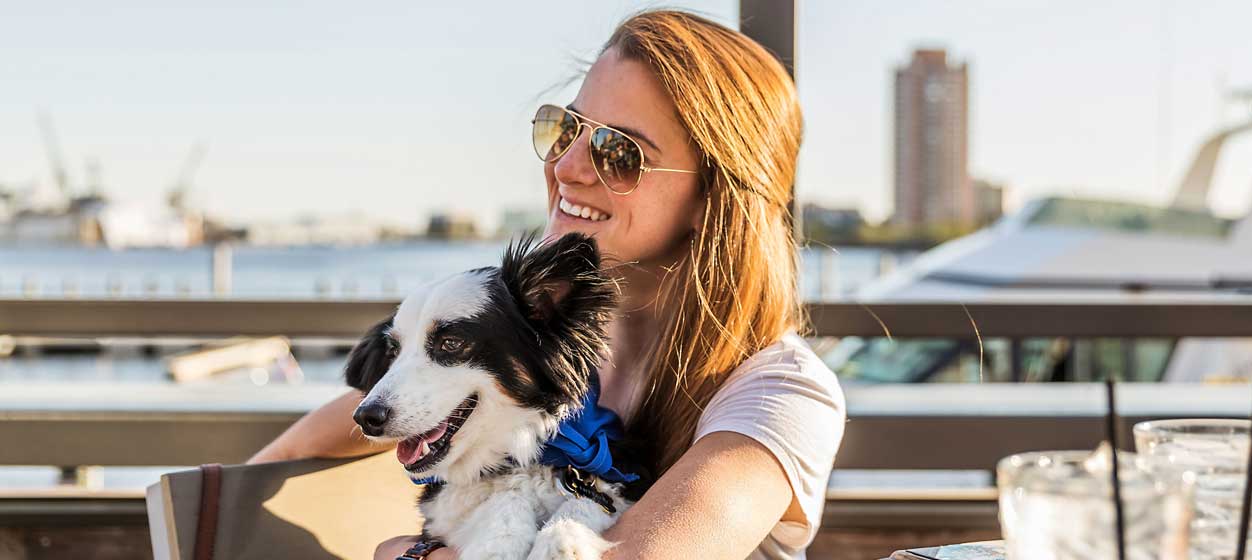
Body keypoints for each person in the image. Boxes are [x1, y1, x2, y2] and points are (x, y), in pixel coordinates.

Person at [249, 10, 845, 560]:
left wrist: (409, 554)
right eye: (566, 129)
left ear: (713, 198)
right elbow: (291, 455)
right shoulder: (531, 340)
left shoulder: (781, 398)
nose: (565, 167)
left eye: (619, 152)